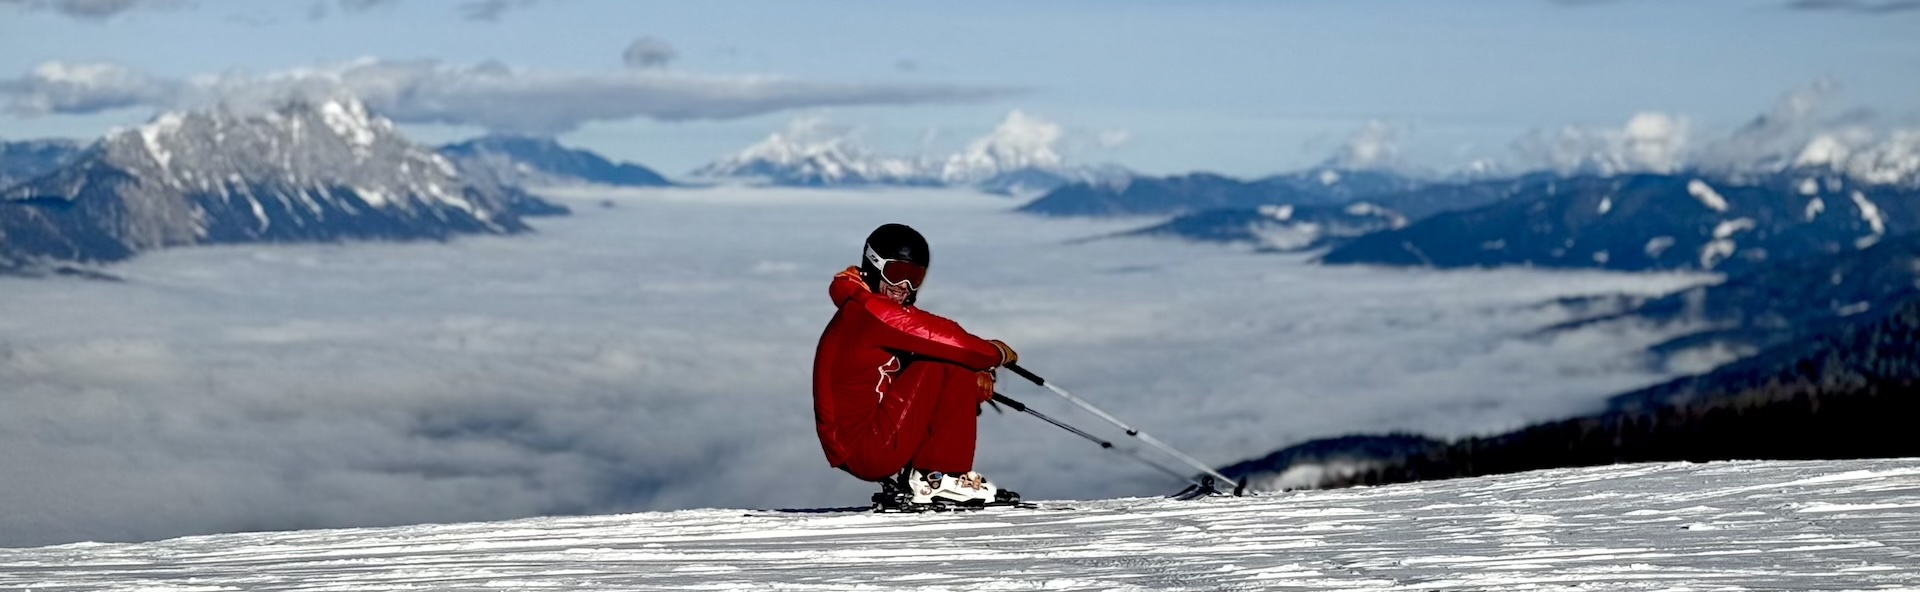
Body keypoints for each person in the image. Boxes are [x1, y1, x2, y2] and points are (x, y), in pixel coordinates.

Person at [811, 223, 1021, 506]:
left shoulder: (868, 308)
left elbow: (932, 338)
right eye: (897, 274)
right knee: (946, 362)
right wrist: (994, 353)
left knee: (951, 363)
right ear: (874, 266)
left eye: (915, 277)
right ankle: (940, 476)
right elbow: (949, 340)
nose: (905, 287)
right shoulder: (872, 313)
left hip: (870, 438)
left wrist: (968, 380)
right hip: (865, 448)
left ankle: (931, 475)